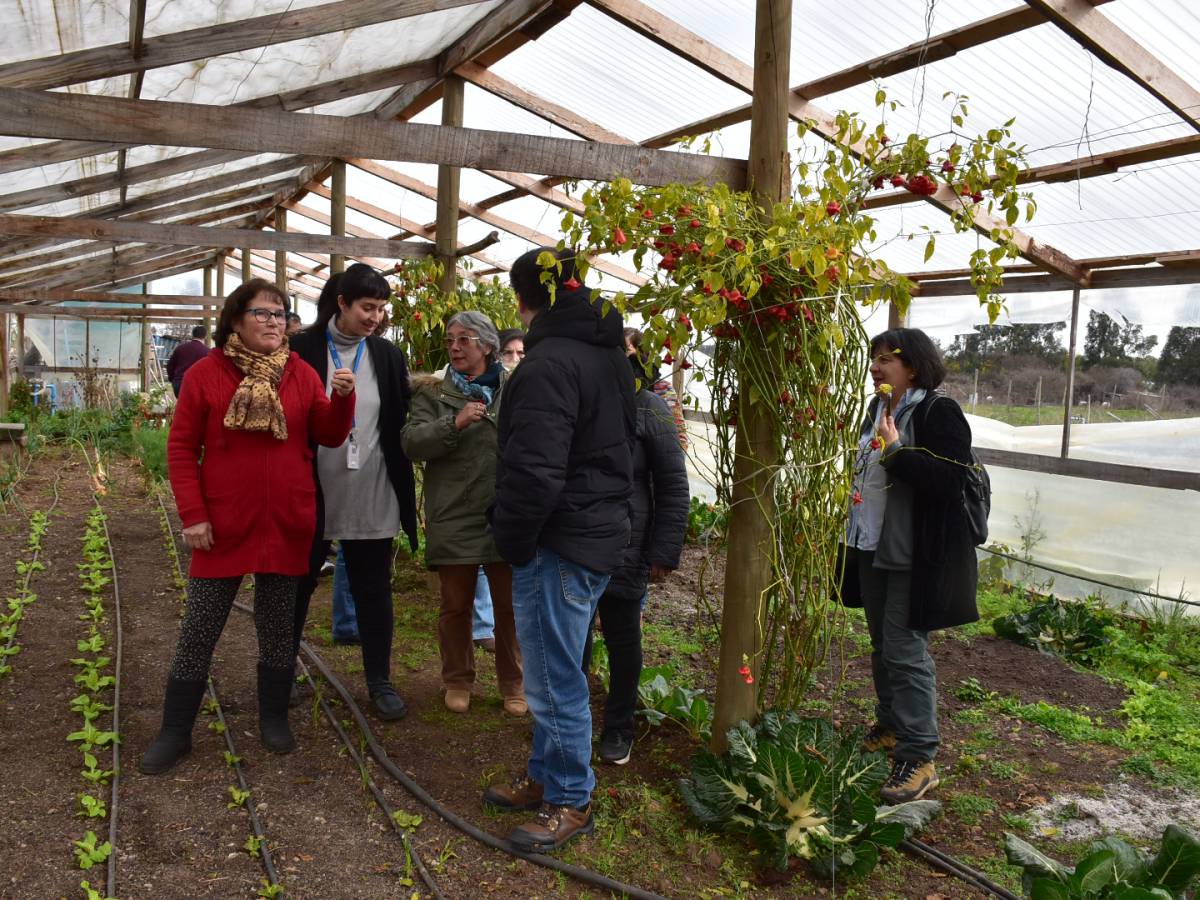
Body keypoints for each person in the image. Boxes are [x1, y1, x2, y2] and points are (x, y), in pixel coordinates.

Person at [139, 279, 355, 775]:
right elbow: (180, 450)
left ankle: (274, 719)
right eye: (263, 313)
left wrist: (342, 399)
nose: (275, 322)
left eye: (281, 313)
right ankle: (175, 732)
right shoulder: (205, 375)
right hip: (222, 526)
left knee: (279, 628)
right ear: (235, 320)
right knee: (200, 629)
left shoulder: (299, 373)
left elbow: (327, 433)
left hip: (285, 522)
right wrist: (193, 515)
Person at [481, 247, 635, 853]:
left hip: (559, 538)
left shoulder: (547, 365)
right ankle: (545, 776)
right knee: (558, 664)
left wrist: (513, 540)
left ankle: (569, 799)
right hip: (594, 533)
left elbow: (535, 472)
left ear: (523, 299)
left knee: (551, 678)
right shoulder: (606, 354)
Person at [839, 327, 979, 804]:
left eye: (887, 360)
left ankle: (919, 756)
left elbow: (950, 479)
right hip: (872, 545)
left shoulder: (940, 412)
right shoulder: (875, 410)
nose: (876, 367)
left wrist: (897, 451)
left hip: (912, 554)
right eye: (874, 359)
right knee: (883, 645)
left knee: (903, 648)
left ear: (913, 367)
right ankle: (892, 727)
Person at [291, 264, 420, 721]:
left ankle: (379, 682)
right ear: (342, 303)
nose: (375, 317)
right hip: (313, 487)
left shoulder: (385, 355)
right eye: (368, 307)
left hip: (372, 482)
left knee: (372, 587)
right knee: (297, 585)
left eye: (382, 309)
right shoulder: (300, 349)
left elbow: (399, 418)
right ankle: (282, 671)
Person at [401, 311, 524, 716]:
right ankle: (457, 679)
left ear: (487, 347)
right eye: (451, 339)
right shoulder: (432, 394)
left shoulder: (518, 388)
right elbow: (412, 443)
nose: (454, 346)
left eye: (465, 339)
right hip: (454, 509)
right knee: (455, 605)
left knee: (510, 607)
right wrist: (454, 423)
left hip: (506, 511)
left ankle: (514, 684)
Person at [590, 329, 689, 766]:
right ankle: (574, 720)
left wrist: (663, 551)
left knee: (623, 638)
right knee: (573, 639)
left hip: (627, 544)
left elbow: (672, 483)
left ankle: (618, 727)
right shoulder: (580, 401)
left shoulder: (649, 407)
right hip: (578, 542)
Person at [472, 328, 526, 651]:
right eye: (509, 353)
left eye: (521, 353)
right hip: (482, 480)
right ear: (497, 355)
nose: (515, 360)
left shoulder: (532, 389)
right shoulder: (486, 388)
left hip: (510, 484)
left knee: (503, 558)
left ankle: (502, 624)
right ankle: (481, 626)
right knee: (481, 554)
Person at [166, 325, 209, 398]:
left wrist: (173, 379)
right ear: (205, 336)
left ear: (193, 334)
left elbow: (170, 366)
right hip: (197, 386)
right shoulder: (207, 352)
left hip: (179, 384)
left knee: (182, 408)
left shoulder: (180, 348)